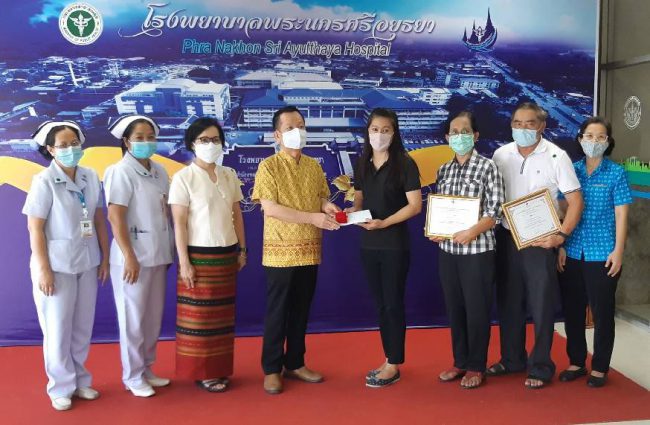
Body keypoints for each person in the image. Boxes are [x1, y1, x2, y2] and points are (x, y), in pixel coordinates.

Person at [490, 102, 584, 389]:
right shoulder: (500, 154)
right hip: (507, 236)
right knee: (509, 301)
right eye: (517, 123)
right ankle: (512, 359)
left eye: (529, 123)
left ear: (542, 126)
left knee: (541, 304)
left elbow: (575, 201)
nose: (522, 128)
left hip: (541, 240)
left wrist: (561, 236)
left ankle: (541, 365)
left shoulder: (557, 156)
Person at [252, 105, 341, 395]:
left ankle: (295, 363)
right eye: (290, 127)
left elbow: (320, 198)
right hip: (279, 251)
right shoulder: (269, 166)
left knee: (301, 310)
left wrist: (327, 207)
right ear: (277, 135)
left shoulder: (314, 165)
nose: (297, 132)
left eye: (301, 126)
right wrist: (313, 218)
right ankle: (271, 369)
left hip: (309, 248)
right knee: (278, 311)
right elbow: (270, 208)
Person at [23, 121, 110, 411]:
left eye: (74, 143)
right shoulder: (43, 181)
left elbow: (98, 218)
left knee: (82, 327)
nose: (71, 149)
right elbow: (35, 228)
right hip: (56, 266)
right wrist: (43, 269)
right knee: (58, 329)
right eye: (63, 145)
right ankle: (60, 387)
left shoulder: (90, 175)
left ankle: (80, 380)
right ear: (50, 149)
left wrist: (105, 256)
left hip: (87, 260)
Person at [169, 117, 247, 393]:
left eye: (215, 140)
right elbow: (179, 223)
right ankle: (202, 373)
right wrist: (184, 263)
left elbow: (237, 215)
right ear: (192, 143)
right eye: (204, 140)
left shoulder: (228, 175)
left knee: (222, 319)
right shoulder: (183, 178)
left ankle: (220, 368)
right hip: (198, 256)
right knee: (199, 320)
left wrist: (242, 249)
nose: (210, 144)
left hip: (227, 255)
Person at [430, 111, 504, 389]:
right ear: (447, 137)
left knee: (477, 310)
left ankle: (476, 366)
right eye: (454, 132)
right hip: (448, 252)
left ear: (475, 136)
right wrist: (437, 230)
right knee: (455, 308)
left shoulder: (488, 167)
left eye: (465, 132)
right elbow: (441, 208)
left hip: (478, 252)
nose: (459, 137)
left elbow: (495, 212)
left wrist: (471, 231)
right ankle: (459, 361)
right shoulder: (444, 170)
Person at [347, 108, 421, 388]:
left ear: (394, 132)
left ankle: (394, 363)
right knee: (381, 305)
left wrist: (385, 223)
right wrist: (352, 214)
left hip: (394, 245)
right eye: (375, 129)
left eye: (386, 130)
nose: (379, 135)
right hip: (368, 244)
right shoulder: (362, 163)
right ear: (368, 132)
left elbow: (415, 206)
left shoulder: (405, 163)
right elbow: (359, 198)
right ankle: (388, 358)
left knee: (392, 303)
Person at [557, 117, 632, 388]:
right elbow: (563, 210)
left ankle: (600, 366)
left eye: (601, 137)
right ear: (580, 139)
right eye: (589, 136)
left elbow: (622, 215)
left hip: (603, 253)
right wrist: (561, 244)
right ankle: (577, 361)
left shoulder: (616, 173)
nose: (594, 141)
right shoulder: (571, 170)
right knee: (573, 310)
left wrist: (618, 251)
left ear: (608, 141)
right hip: (573, 250)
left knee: (602, 312)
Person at [104, 115, 174, 397]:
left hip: (158, 253)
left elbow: (164, 212)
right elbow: (115, 216)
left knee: (152, 318)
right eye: (139, 138)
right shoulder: (119, 171)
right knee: (133, 320)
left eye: (150, 137)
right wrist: (129, 256)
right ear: (127, 141)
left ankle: (146, 368)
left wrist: (168, 250)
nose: (146, 142)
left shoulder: (160, 170)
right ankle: (132, 376)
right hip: (132, 258)